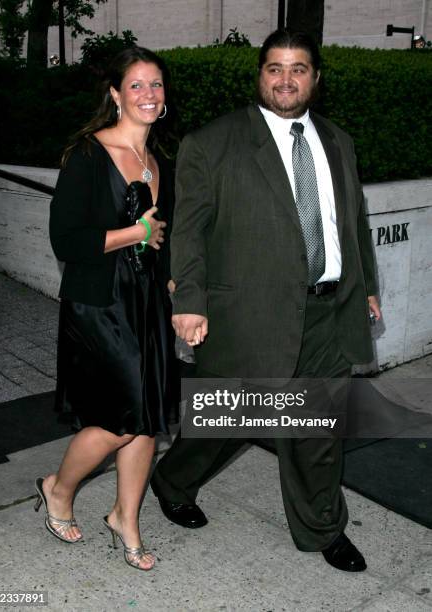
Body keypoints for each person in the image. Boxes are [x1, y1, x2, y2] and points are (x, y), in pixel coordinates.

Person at [151, 29, 381, 572]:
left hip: (328, 311)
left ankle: (323, 527)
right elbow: (190, 230)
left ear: (315, 78)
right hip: (251, 314)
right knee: (229, 419)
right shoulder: (213, 142)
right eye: (274, 68)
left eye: (298, 68)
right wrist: (189, 299)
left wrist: (366, 285)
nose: (285, 79)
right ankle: (173, 478)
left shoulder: (338, 141)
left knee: (318, 430)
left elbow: (352, 223)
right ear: (260, 74)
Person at [36, 46, 174, 571]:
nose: (147, 95)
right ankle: (58, 486)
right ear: (115, 94)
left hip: (147, 304)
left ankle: (126, 518)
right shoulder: (88, 157)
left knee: (146, 420)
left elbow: (163, 240)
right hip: (100, 304)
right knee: (119, 420)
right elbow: (66, 241)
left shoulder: (160, 161)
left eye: (156, 85)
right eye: (136, 85)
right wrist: (134, 232)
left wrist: (174, 284)